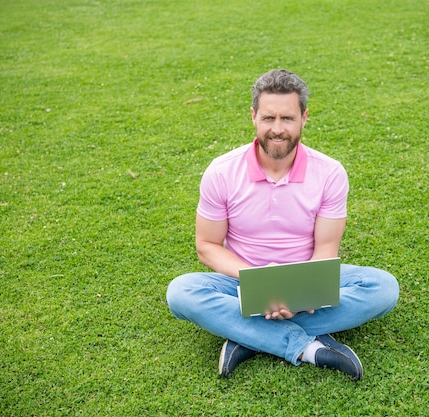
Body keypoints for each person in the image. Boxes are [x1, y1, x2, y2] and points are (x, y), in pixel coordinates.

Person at [166, 69, 399, 380]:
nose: (277, 129)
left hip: (306, 279)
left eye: (287, 118)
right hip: (243, 280)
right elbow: (207, 246)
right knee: (181, 292)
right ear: (253, 117)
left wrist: (301, 293)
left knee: (383, 288)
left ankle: (249, 337)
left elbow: (326, 247)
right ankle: (308, 347)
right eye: (268, 118)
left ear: (304, 117)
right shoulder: (221, 172)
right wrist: (261, 284)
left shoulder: (330, 173)